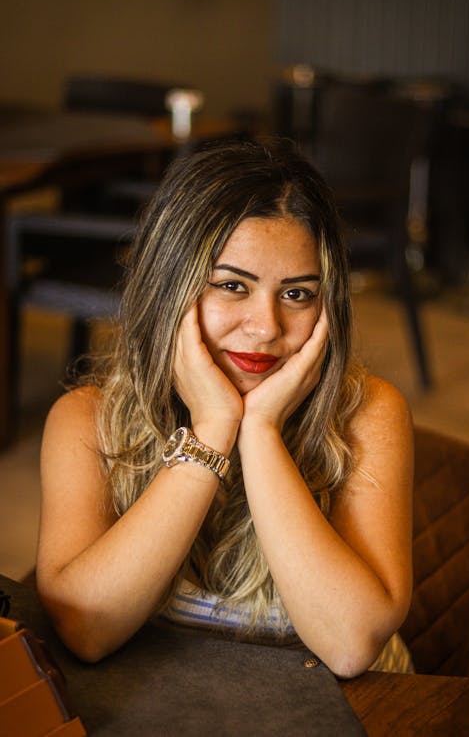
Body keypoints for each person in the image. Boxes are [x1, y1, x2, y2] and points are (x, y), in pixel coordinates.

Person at [36, 138, 414, 677]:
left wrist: (260, 432)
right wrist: (212, 431)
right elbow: (88, 630)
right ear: (169, 289)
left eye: (298, 294)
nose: (266, 328)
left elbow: (351, 645)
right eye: (233, 285)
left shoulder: (371, 413)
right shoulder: (86, 420)